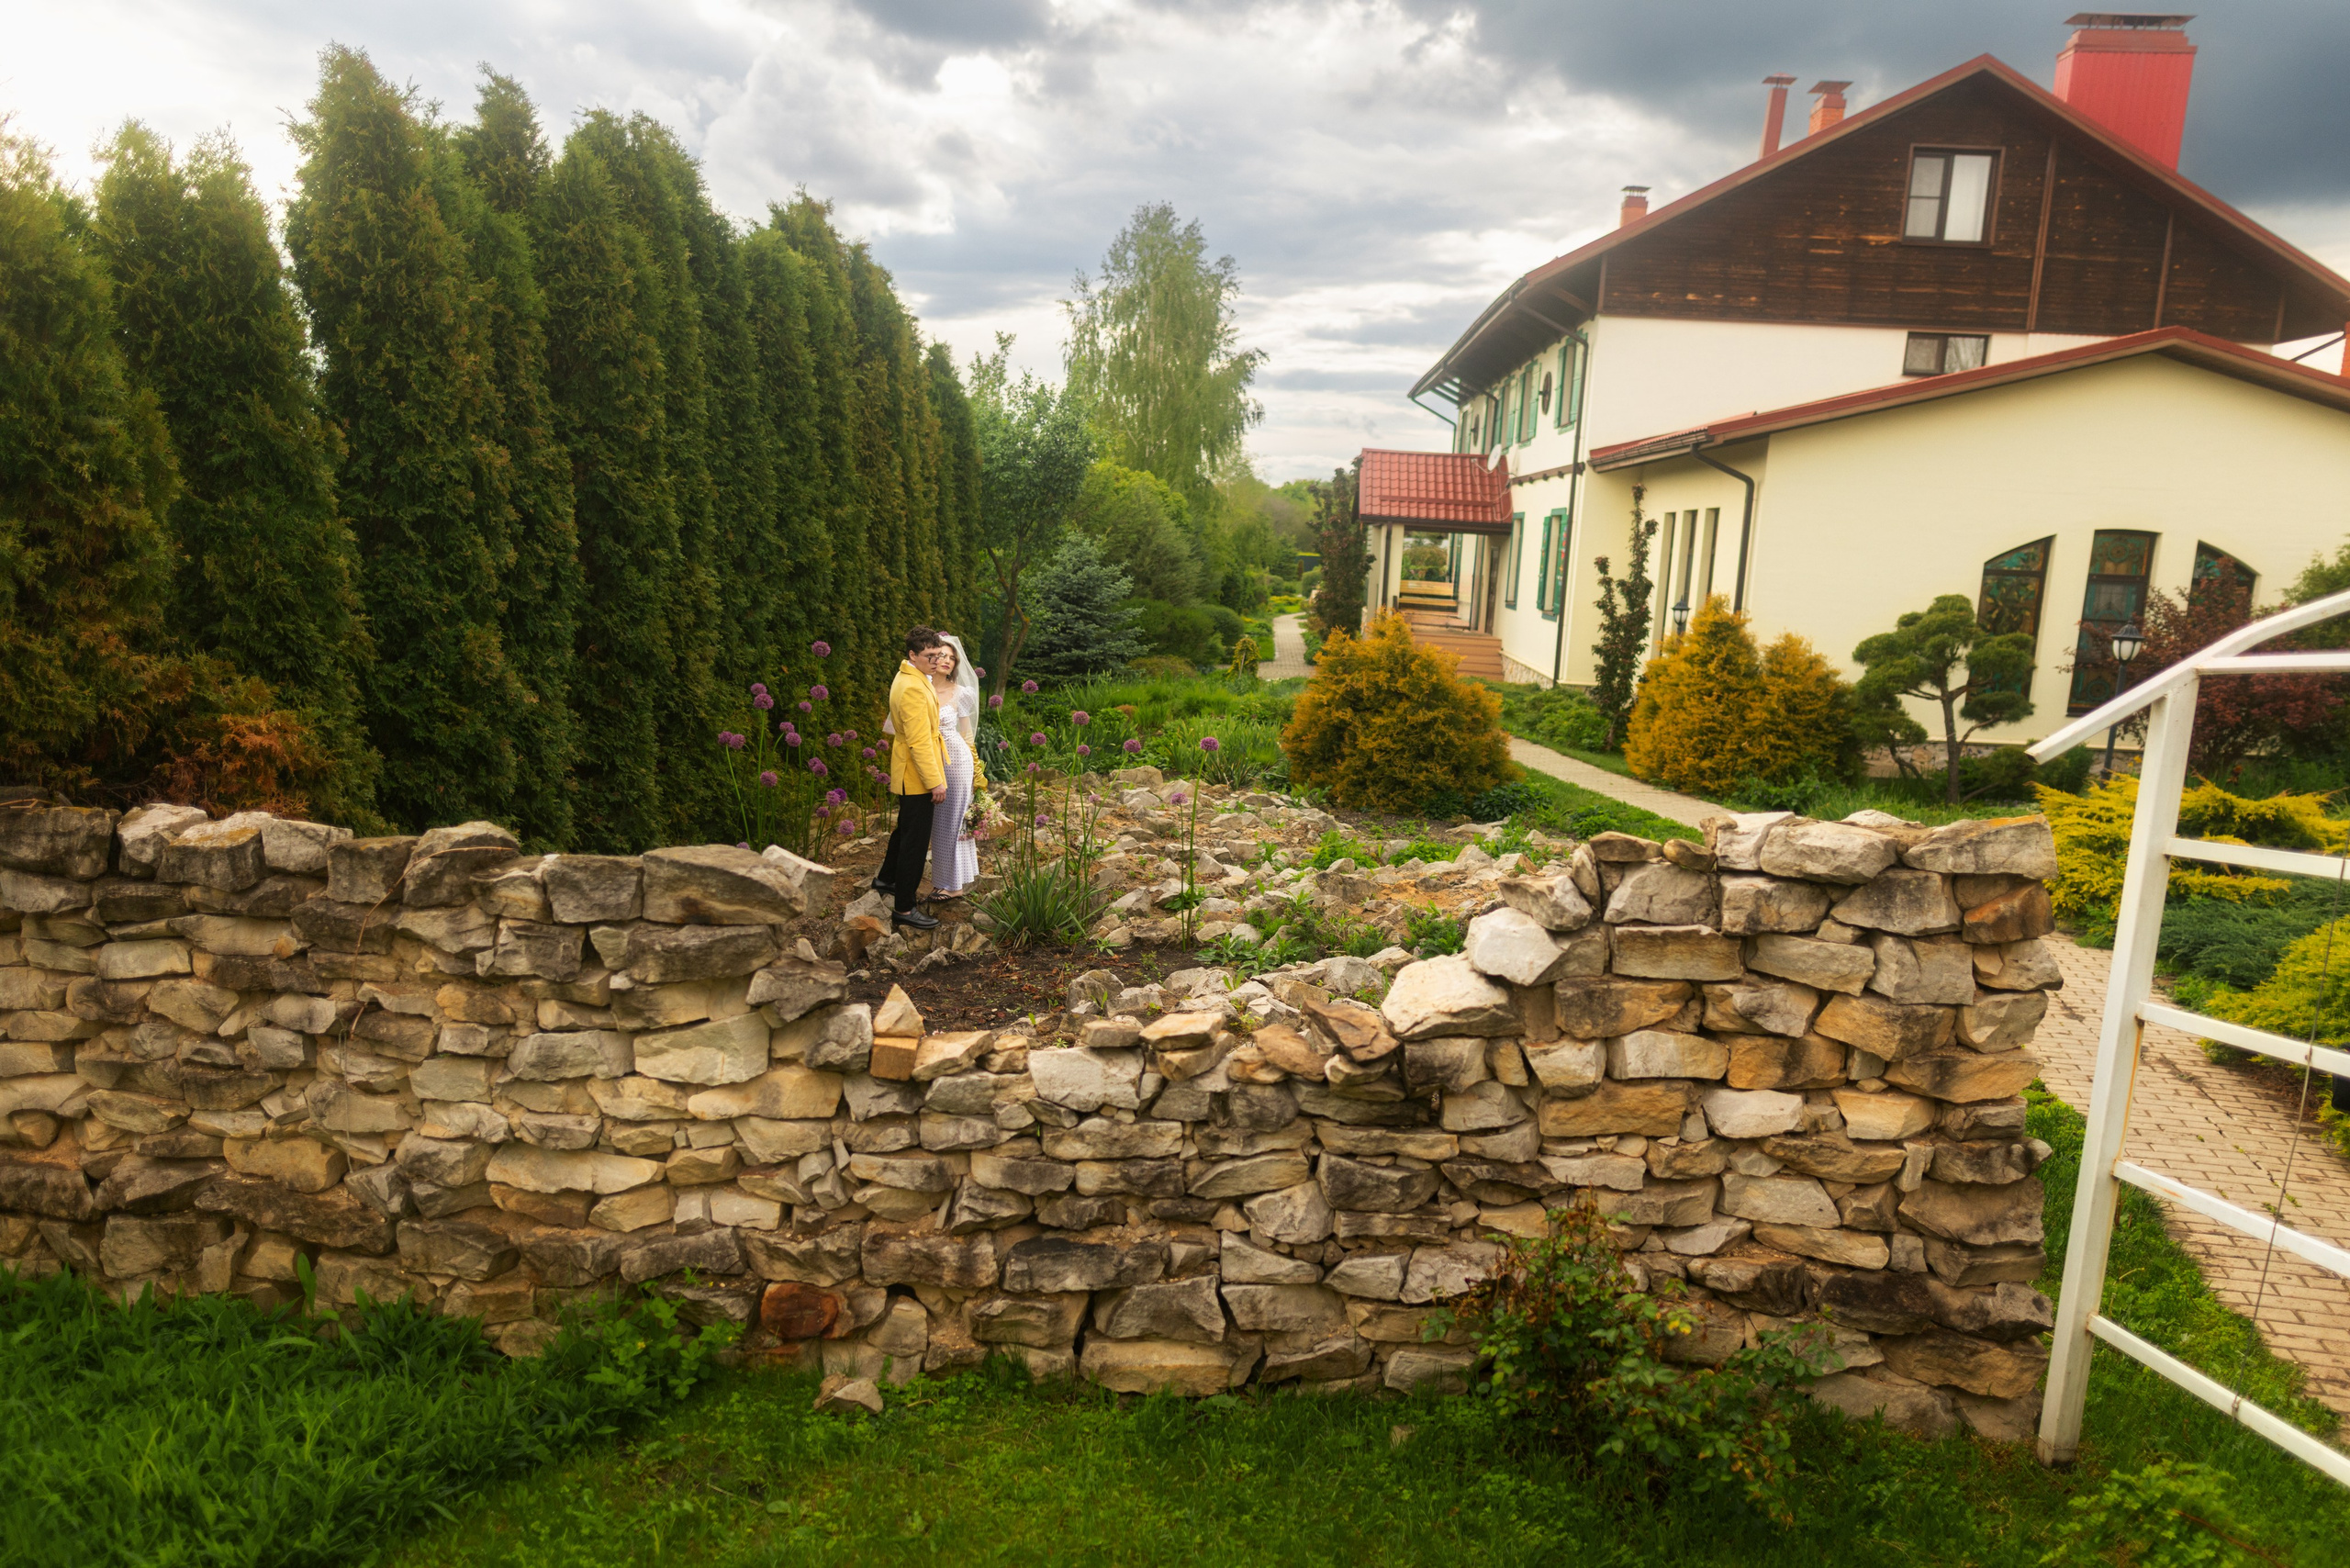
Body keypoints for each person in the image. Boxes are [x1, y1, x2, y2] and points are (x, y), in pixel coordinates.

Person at [878, 627, 948, 929]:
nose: (935, 662)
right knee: (915, 843)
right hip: (917, 776)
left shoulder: (910, 678)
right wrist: (935, 781)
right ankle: (904, 908)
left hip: (910, 769)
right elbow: (919, 742)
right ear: (912, 655)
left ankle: (886, 879)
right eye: (929, 657)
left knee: (904, 830)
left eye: (938, 655)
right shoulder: (913, 688)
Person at [925, 634, 985, 900]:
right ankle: (942, 881)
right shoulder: (919, 686)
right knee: (936, 823)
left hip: (957, 762)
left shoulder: (962, 693)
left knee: (953, 822)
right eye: (942, 656)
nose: (947, 661)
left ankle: (956, 886)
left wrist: (976, 769)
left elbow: (967, 734)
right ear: (931, 658)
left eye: (952, 657)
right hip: (927, 761)